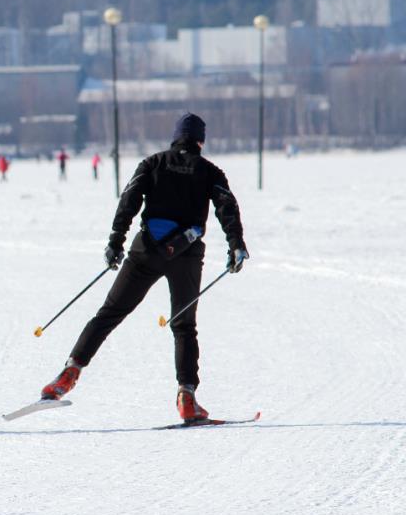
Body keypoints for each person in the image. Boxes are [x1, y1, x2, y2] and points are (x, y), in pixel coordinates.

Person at [38, 113, 249, 422]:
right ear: (201, 141)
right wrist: (236, 245)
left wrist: (116, 241)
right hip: (186, 256)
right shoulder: (210, 171)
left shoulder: (152, 163)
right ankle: (187, 398)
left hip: (146, 251)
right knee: (183, 326)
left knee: (108, 314)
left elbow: (129, 199)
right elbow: (227, 207)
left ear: (175, 136)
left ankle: (68, 373)